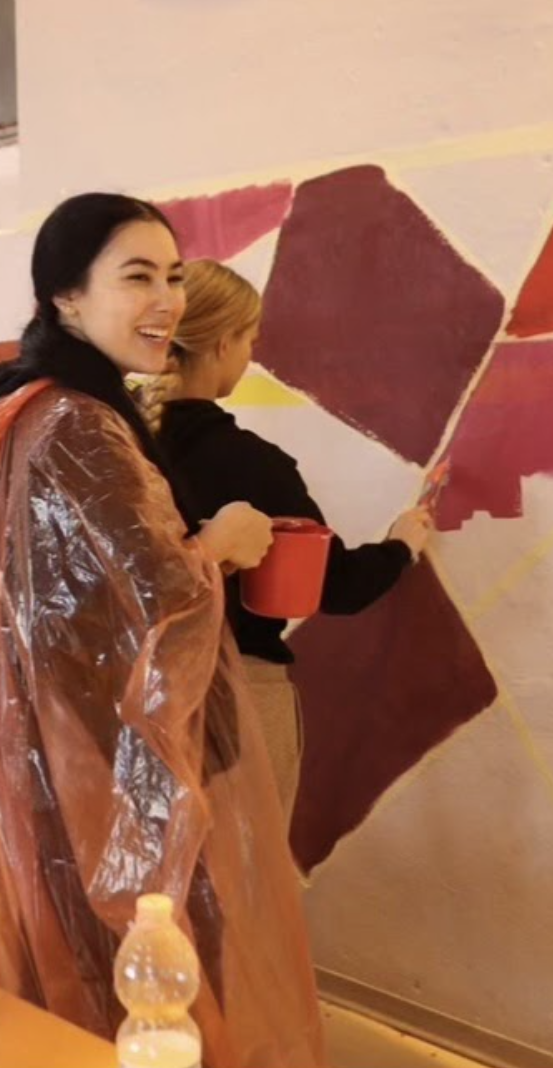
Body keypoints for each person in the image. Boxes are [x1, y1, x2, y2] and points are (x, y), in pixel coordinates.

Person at [0, 195, 327, 1068]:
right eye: (136, 277)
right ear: (67, 298)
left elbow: (70, 593)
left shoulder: (30, 408)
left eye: (173, 277)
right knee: (151, 966)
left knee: (81, 951)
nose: (166, 301)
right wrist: (224, 543)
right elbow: (146, 597)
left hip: (64, 741)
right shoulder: (80, 423)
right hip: (108, 751)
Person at [148, 260, 433, 821]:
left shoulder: (117, 451)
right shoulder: (254, 466)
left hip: (141, 701)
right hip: (239, 700)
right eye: (249, 340)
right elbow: (336, 586)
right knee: (248, 870)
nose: (249, 356)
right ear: (223, 343)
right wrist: (400, 546)